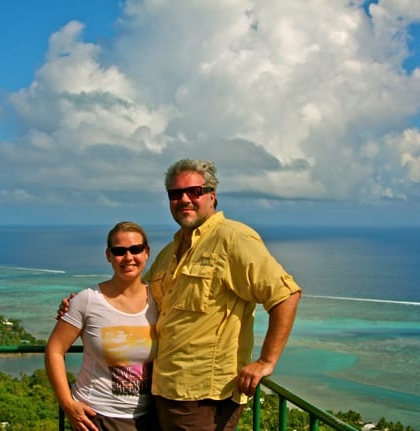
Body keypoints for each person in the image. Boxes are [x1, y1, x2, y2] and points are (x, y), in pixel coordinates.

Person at [59, 159, 302, 431]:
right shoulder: (171, 252)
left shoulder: (233, 239)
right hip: (163, 392)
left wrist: (265, 361)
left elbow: (285, 294)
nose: (184, 199)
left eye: (194, 191)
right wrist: (79, 308)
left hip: (203, 397)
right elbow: (137, 296)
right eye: (175, 194)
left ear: (212, 195)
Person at [45, 221, 159, 431]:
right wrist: (67, 403)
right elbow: (54, 349)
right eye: (119, 251)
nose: (128, 257)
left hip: (149, 416)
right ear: (108, 255)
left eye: (136, 249)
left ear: (147, 252)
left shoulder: (159, 300)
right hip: (97, 417)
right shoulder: (87, 300)